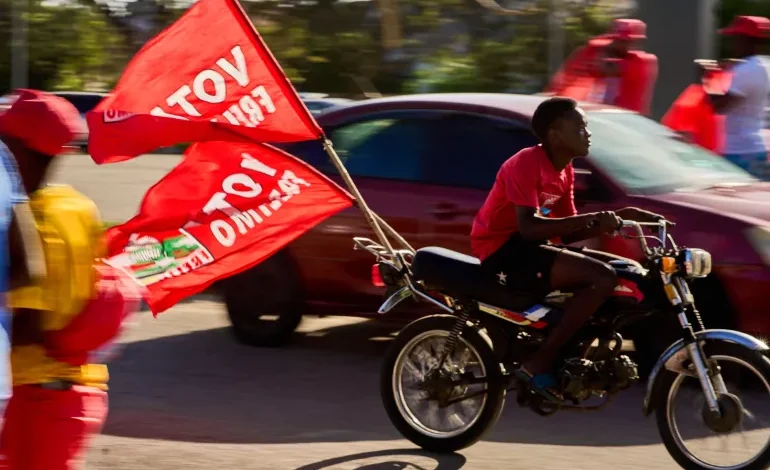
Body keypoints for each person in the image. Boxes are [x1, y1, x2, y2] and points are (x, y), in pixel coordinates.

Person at [470, 97, 664, 402]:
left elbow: (568, 233)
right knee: (602, 278)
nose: (587, 133)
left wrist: (622, 216)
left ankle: (572, 359)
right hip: (502, 249)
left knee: (626, 272)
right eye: (580, 127)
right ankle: (539, 362)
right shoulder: (526, 163)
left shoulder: (565, 170)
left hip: (532, 247)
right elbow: (529, 227)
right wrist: (592, 218)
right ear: (555, 134)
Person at [0, 89, 143, 470]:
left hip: (40, 404)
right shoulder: (76, 205)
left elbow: (29, 328)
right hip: (75, 395)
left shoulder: (32, 220)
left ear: (18, 148)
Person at [544, 18, 658, 116]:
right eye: (617, 40)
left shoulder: (643, 62)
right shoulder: (600, 53)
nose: (621, 45)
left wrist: (599, 50)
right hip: (598, 115)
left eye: (626, 41)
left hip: (628, 119)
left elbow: (605, 69)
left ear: (637, 42)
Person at [704, 15, 770, 177]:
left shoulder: (745, 71)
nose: (732, 43)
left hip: (739, 151)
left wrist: (709, 78)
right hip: (756, 147)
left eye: (735, 38)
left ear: (746, 40)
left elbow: (719, 107)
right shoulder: (763, 65)